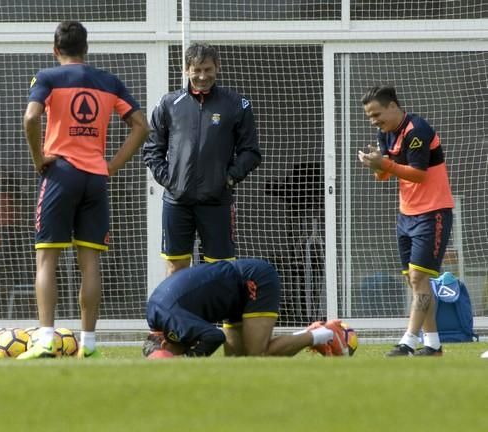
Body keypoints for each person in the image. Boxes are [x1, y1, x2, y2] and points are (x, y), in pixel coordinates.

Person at [18, 21, 149, 359]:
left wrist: (38, 158)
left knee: (47, 257)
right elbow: (141, 126)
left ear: (55, 50)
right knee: (89, 261)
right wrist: (111, 165)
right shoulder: (109, 82)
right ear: (86, 49)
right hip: (95, 178)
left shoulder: (48, 77)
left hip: (60, 173)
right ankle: (88, 344)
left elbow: (31, 118)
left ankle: (46, 339)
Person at [142, 43, 261, 276]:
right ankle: (176, 314)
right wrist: (170, 181)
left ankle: (217, 314)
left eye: (207, 69)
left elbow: (251, 152)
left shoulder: (237, 104)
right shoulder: (168, 104)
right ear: (186, 69)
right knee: (176, 267)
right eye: (197, 70)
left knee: (221, 269)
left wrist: (228, 179)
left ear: (217, 67)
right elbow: (152, 149)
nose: (202, 76)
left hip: (218, 201)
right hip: (177, 202)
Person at [357, 85, 454, 357]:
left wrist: (384, 165)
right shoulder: (385, 133)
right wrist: (375, 165)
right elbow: (384, 175)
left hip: (433, 212)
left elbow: (419, 174)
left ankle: (408, 342)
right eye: (370, 118)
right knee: (416, 282)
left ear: (392, 106)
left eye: (377, 114)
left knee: (418, 276)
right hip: (406, 214)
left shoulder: (417, 131)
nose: (374, 121)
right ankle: (433, 344)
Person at [142, 259, 349, 358]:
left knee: (256, 354)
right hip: (229, 298)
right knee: (237, 363)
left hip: (252, 281)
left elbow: (214, 336)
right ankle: (311, 333)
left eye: (173, 357)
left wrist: (190, 360)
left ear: (164, 342)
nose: (177, 358)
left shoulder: (168, 319)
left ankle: (327, 334)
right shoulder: (160, 318)